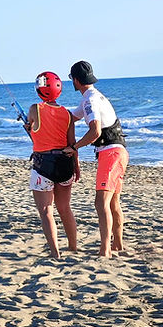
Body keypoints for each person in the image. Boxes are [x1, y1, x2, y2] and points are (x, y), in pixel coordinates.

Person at [63, 60, 128, 258]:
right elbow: (70, 117)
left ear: (75, 80)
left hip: (110, 153)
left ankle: (105, 250)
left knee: (101, 203)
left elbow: (95, 131)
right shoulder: (92, 97)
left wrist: (74, 147)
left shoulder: (90, 100)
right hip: (118, 152)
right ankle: (117, 245)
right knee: (113, 202)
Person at [25, 71, 79, 258]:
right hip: (65, 164)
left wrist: (29, 129)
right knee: (65, 208)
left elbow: (35, 133)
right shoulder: (68, 114)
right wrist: (76, 167)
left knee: (47, 210)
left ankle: (55, 253)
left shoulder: (34, 109)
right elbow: (72, 144)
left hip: (43, 165)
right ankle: (73, 246)